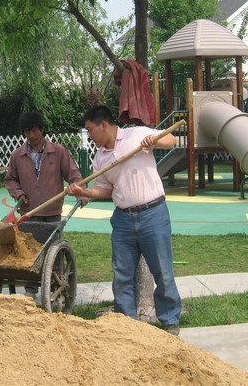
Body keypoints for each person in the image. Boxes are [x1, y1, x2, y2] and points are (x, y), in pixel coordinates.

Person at [65, 105, 182, 335]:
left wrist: (155, 142)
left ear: (104, 125)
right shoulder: (100, 158)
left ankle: (170, 321)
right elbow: (104, 190)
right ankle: (126, 325)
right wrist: (83, 192)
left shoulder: (136, 135)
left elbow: (172, 139)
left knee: (163, 271)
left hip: (153, 214)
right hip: (123, 221)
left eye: (90, 130)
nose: (89, 135)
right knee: (122, 275)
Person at [4, 111, 84, 298]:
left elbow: (73, 174)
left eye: (34, 131)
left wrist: (82, 192)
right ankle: (30, 291)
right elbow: (11, 180)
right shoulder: (18, 155)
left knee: (53, 253)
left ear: (42, 129)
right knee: (30, 253)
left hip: (52, 212)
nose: (31, 136)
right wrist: (19, 193)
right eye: (27, 132)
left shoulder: (58, 152)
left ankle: (55, 288)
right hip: (29, 212)